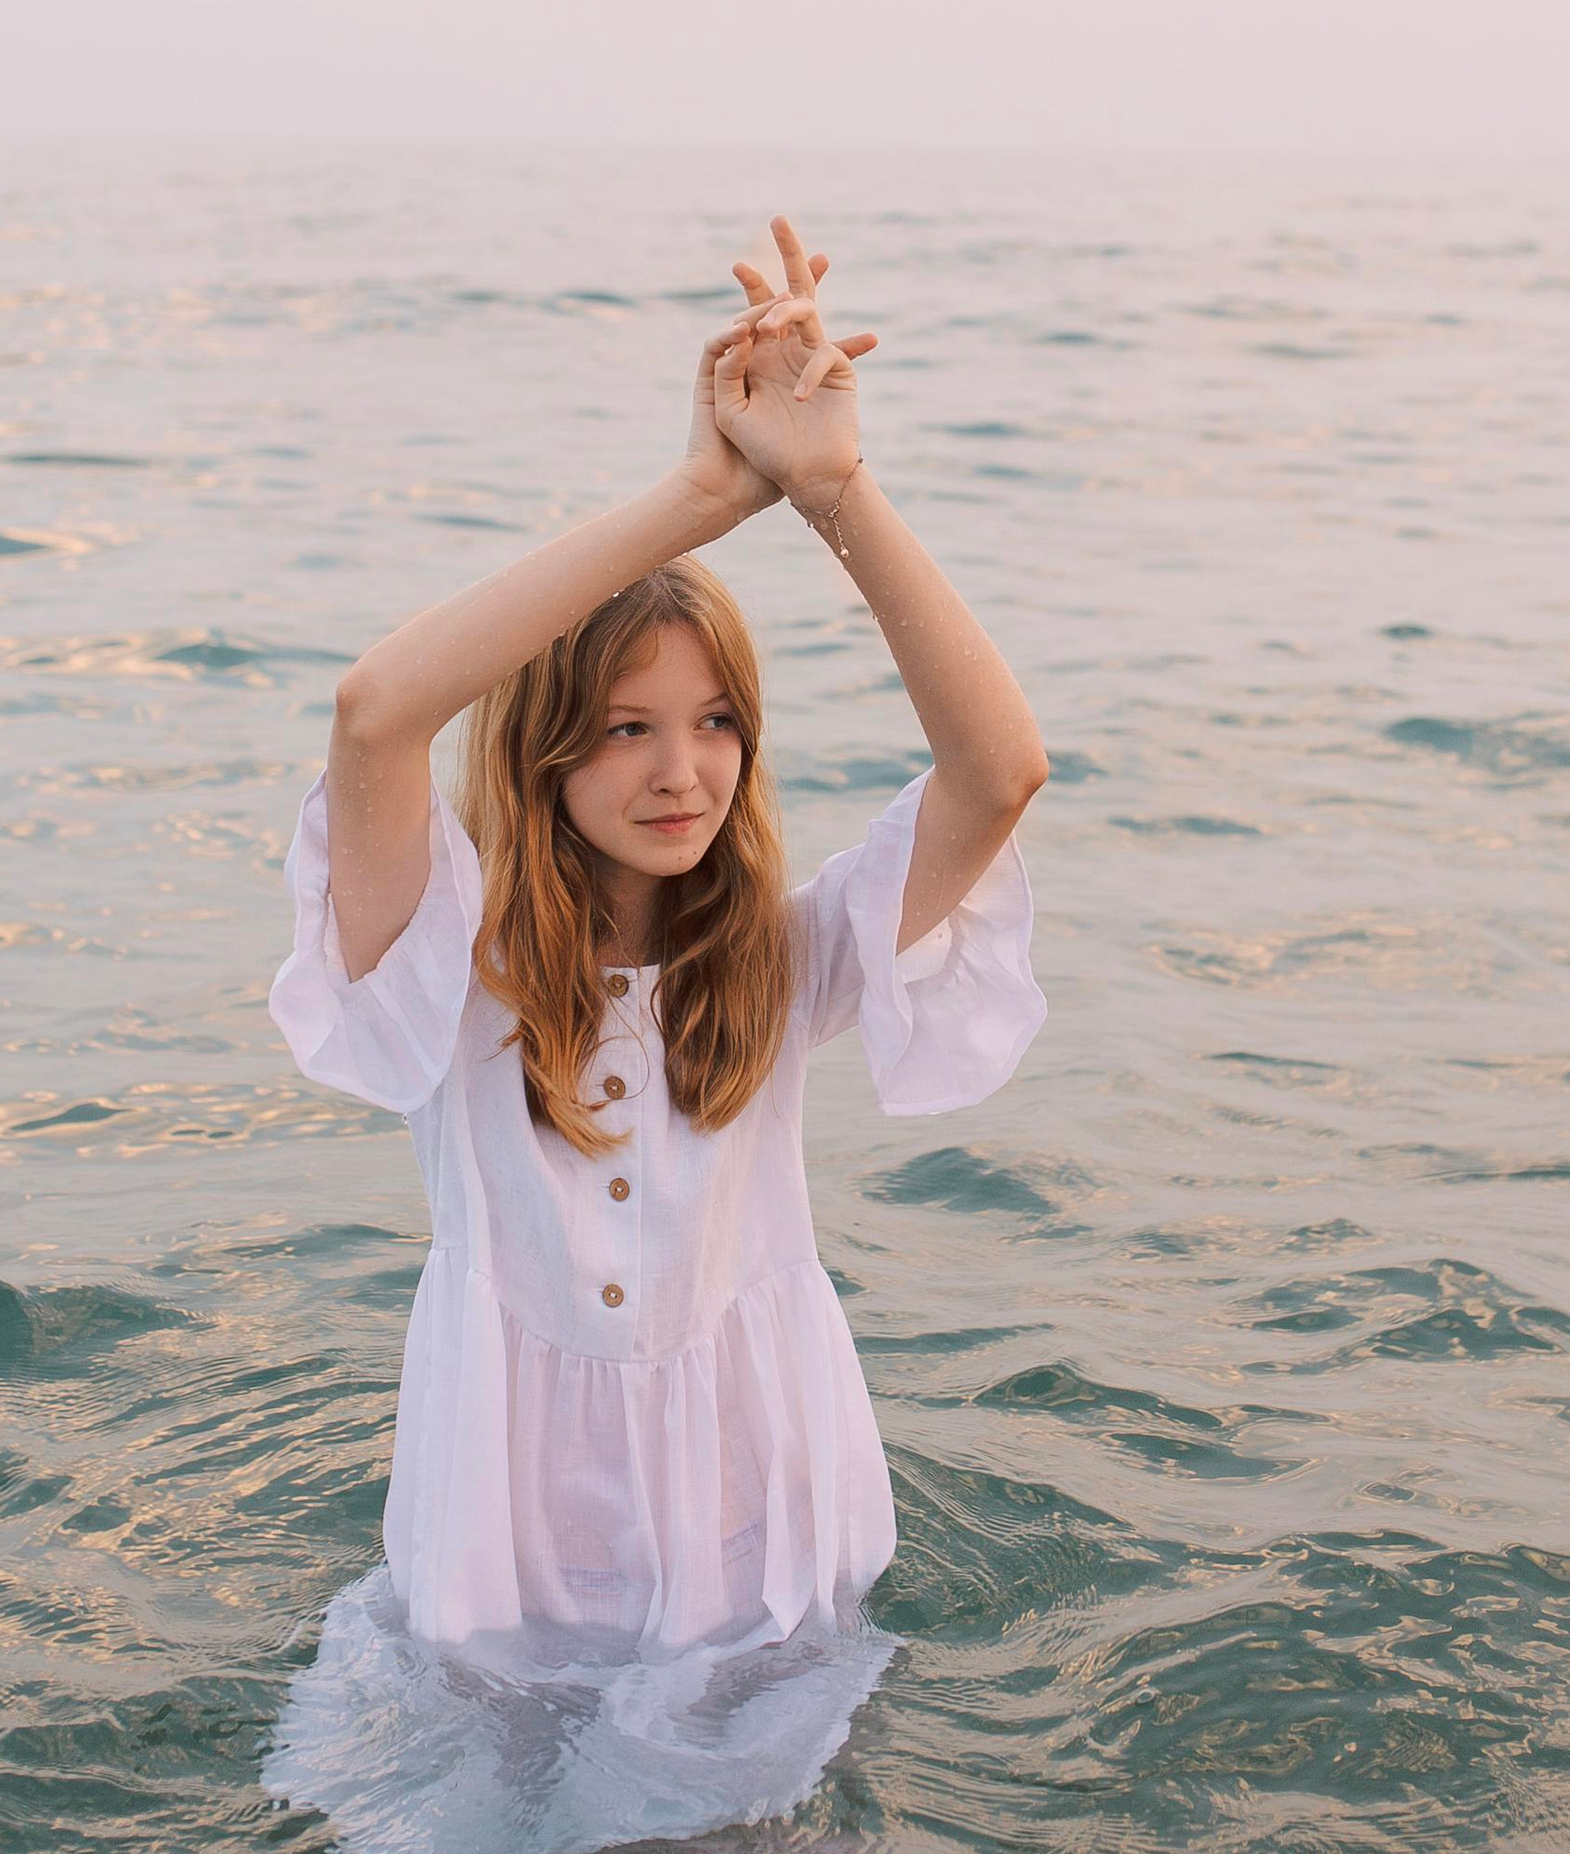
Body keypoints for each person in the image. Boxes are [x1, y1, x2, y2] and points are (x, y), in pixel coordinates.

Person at [265, 215, 1050, 1723]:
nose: (681, 769)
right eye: (627, 726)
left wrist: (836, 494)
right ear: (551, 747)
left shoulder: (788, 954)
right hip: (509, 1569)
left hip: (745, 1556)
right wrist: (695, 500)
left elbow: (1000, 767)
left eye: (714, 722)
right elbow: (377, 712)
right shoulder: (450, 962)